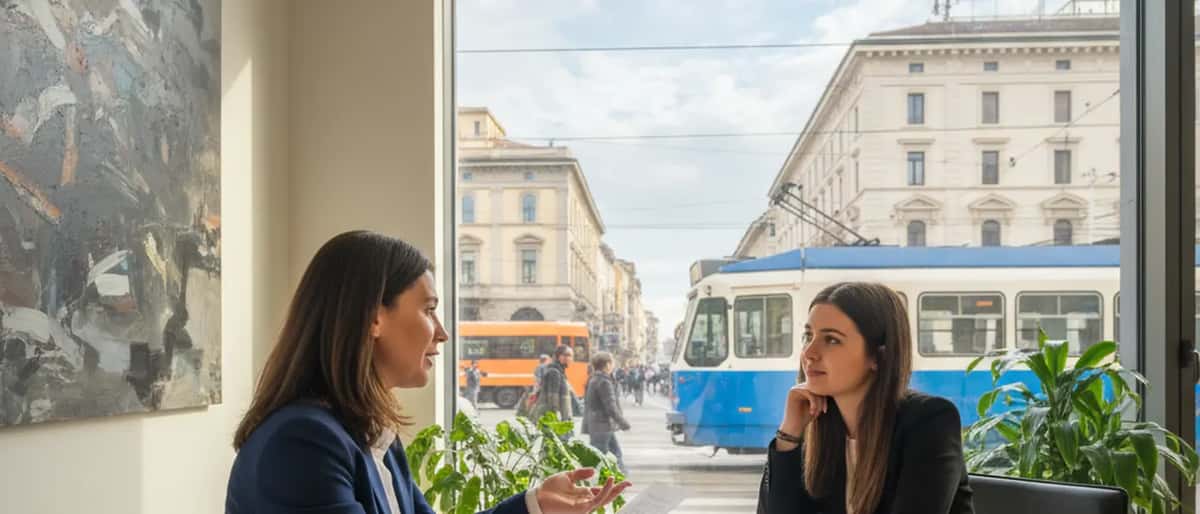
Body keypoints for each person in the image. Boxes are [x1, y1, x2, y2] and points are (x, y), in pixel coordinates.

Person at [226, 231, 630, 514]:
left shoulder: (371, 434)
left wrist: (534, 504)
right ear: (373, 318)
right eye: (429, 309)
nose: (442, 333)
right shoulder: (302, 445)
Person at [757, 282, 973, 514]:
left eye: (831, 339)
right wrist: (789, 433)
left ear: (878, 356)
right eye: (808, 336)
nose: (809, 353)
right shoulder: (822, 428)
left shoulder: (929, 422)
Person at [583, 352, 631, 474]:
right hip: (602, 425)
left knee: (615, 453)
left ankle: (620, 478)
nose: (613, 365)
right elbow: (611, 407)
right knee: (598, 458)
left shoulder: (595, 379)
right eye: (612, 362)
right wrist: (623, 422)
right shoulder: (603, 382)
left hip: (599, 425)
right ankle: (590, 481)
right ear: (607, 365)